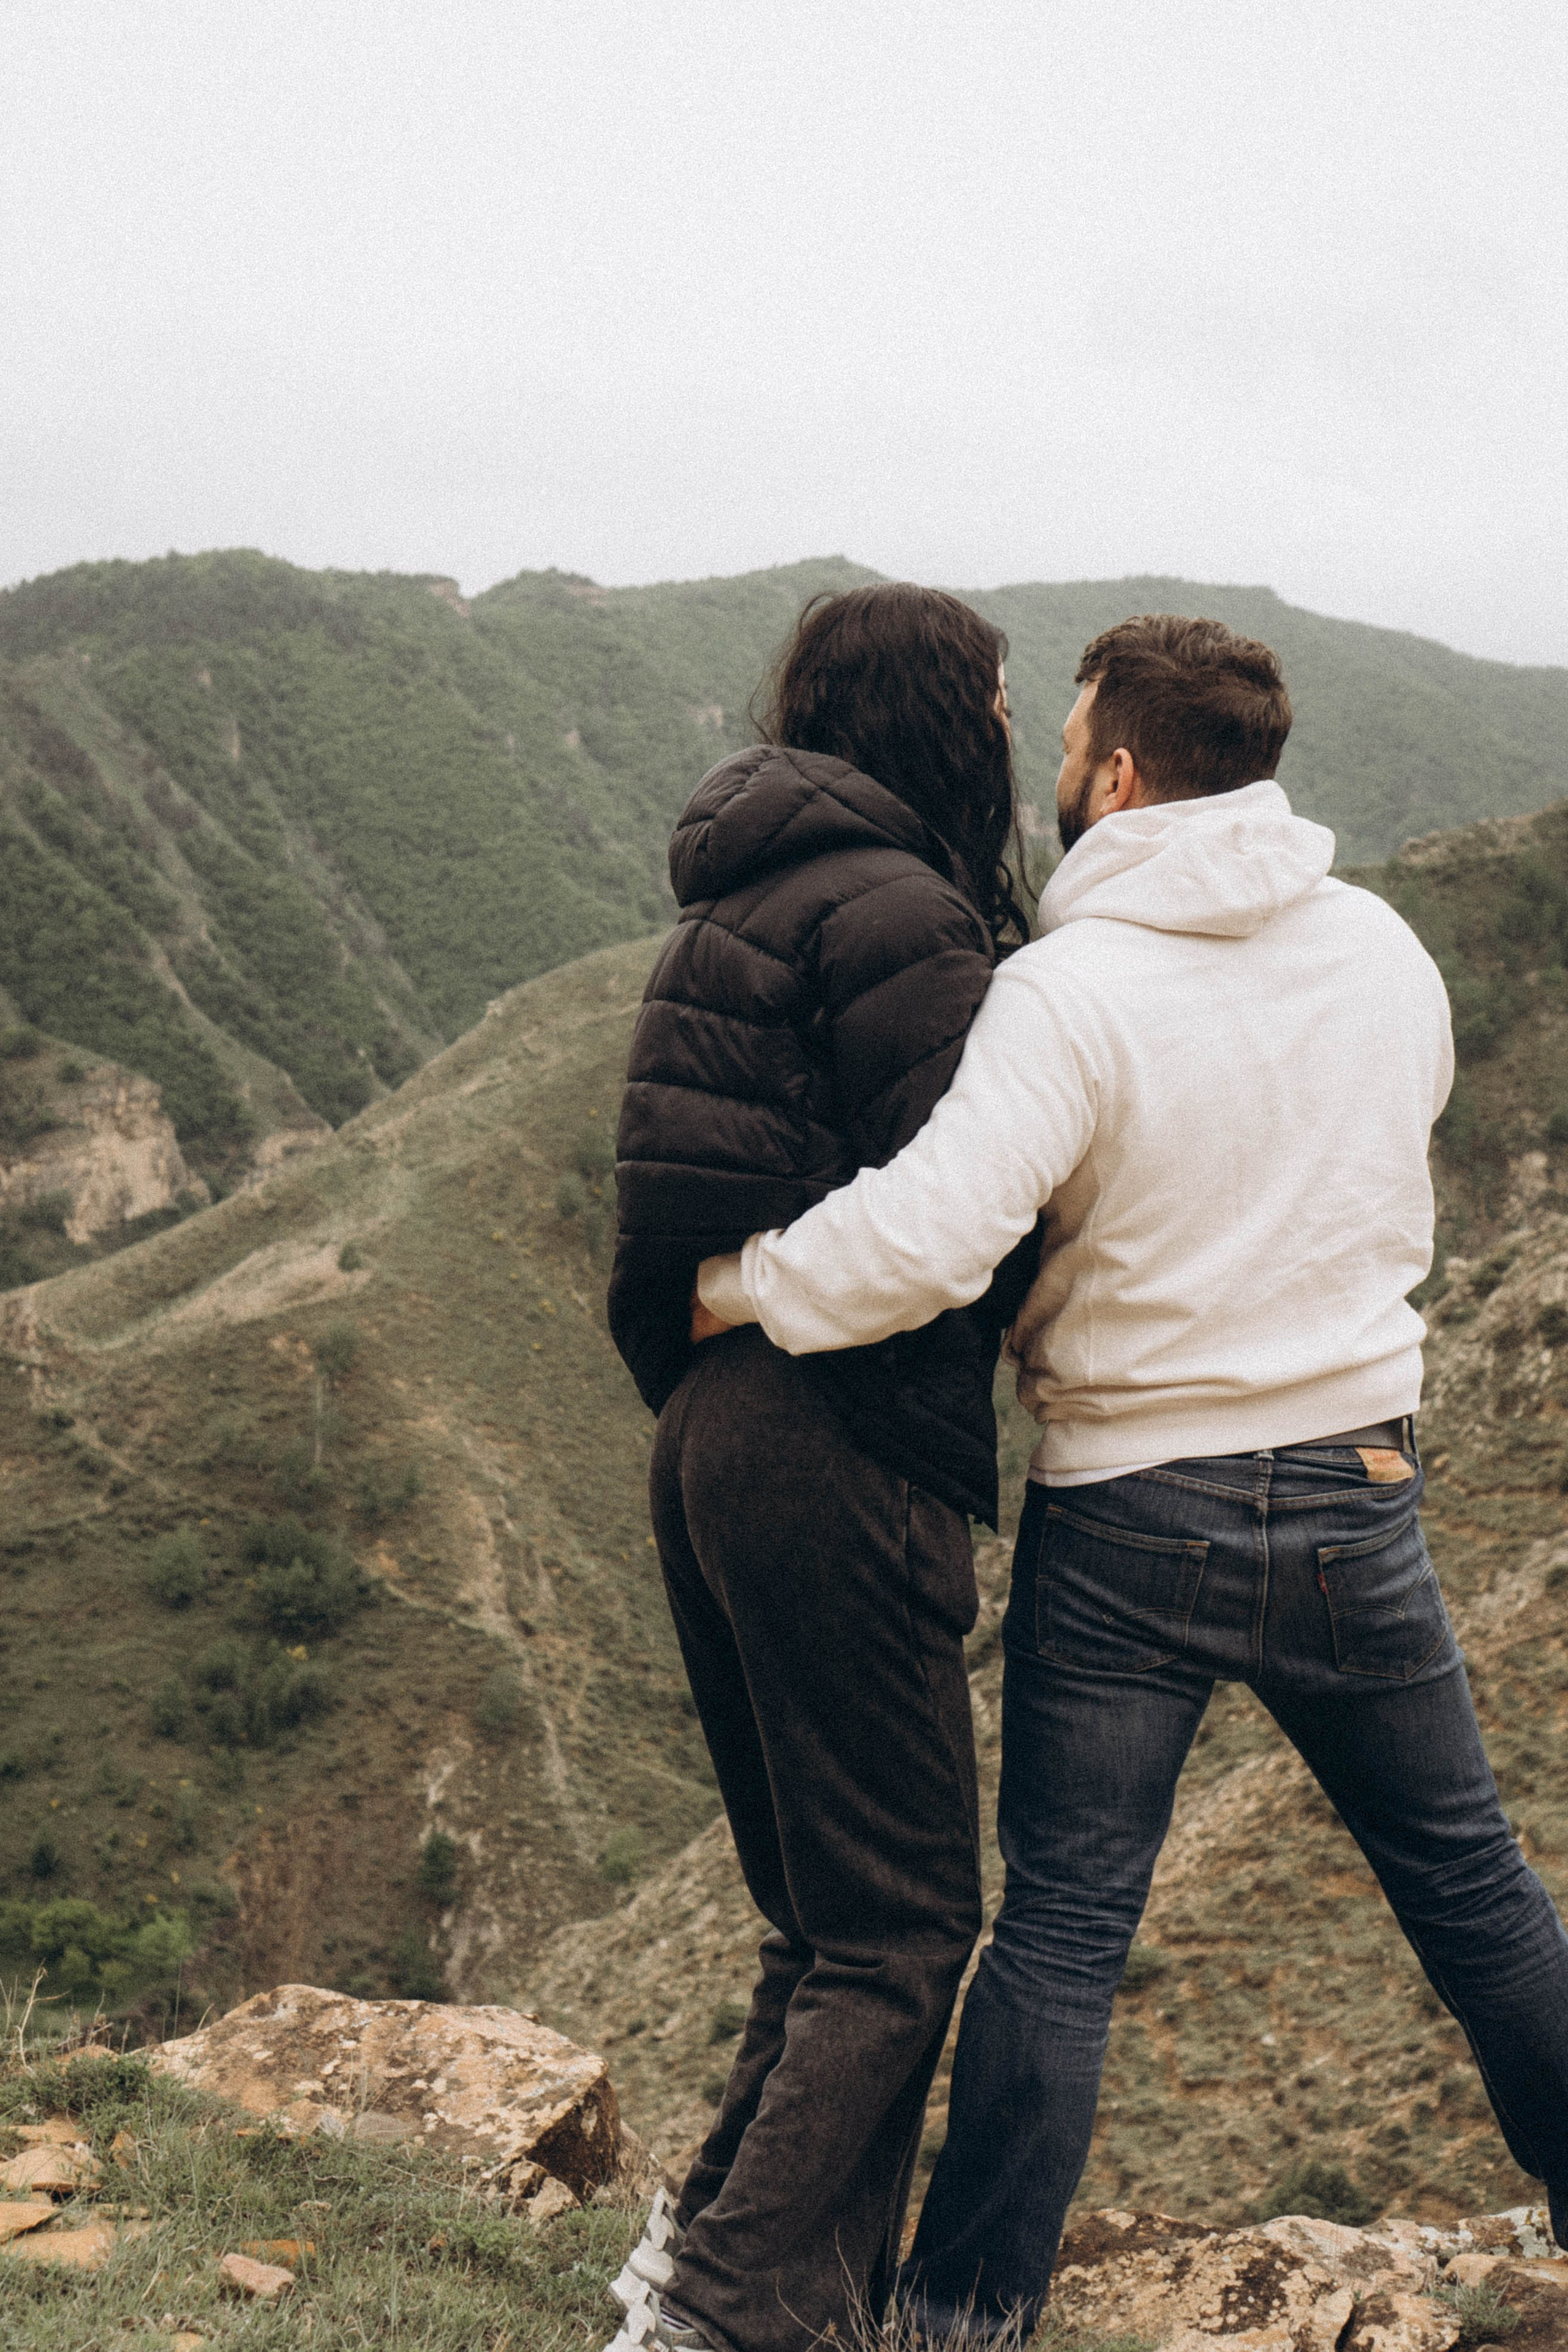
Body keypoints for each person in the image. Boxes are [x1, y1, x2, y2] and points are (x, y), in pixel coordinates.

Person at [693, 614, 1568, 2342]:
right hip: (1353, 1488)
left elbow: (930, 1245)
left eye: (1074, 740)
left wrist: (738, 1281)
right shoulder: (1387, 951)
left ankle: (961, 2320)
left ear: (1121, 773)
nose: (1058, 772)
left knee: (1067, 1934)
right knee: (1473, 1889)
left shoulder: (1067, 993)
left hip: (1132, 1506)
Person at [605, 583, 1039, 2352]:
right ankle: (718, 2315)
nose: (1016, 730)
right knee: (907, 1926)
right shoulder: (905, 917)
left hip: (712, 1425)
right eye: (1000, 697)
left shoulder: (745, 902)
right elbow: (971, 1213)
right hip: (835, 1434)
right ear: (948, 714)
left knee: (824, 1916)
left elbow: (668, 1213)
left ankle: (735, 2271)